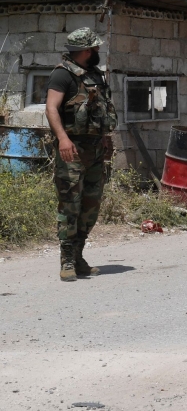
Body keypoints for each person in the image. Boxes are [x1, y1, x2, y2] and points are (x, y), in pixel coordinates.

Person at [45, 28, 117, 281]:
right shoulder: (62, 75)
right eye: (95, 48)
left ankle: (78, 256)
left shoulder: (95, 75)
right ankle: (66, 260)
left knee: (90, 205)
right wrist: (63, 139)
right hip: (72, 150)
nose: (98, 51)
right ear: (86, 50)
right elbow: (51, 108)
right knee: (70, 205)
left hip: (96, 148)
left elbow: (101, 111)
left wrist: (106, 138)